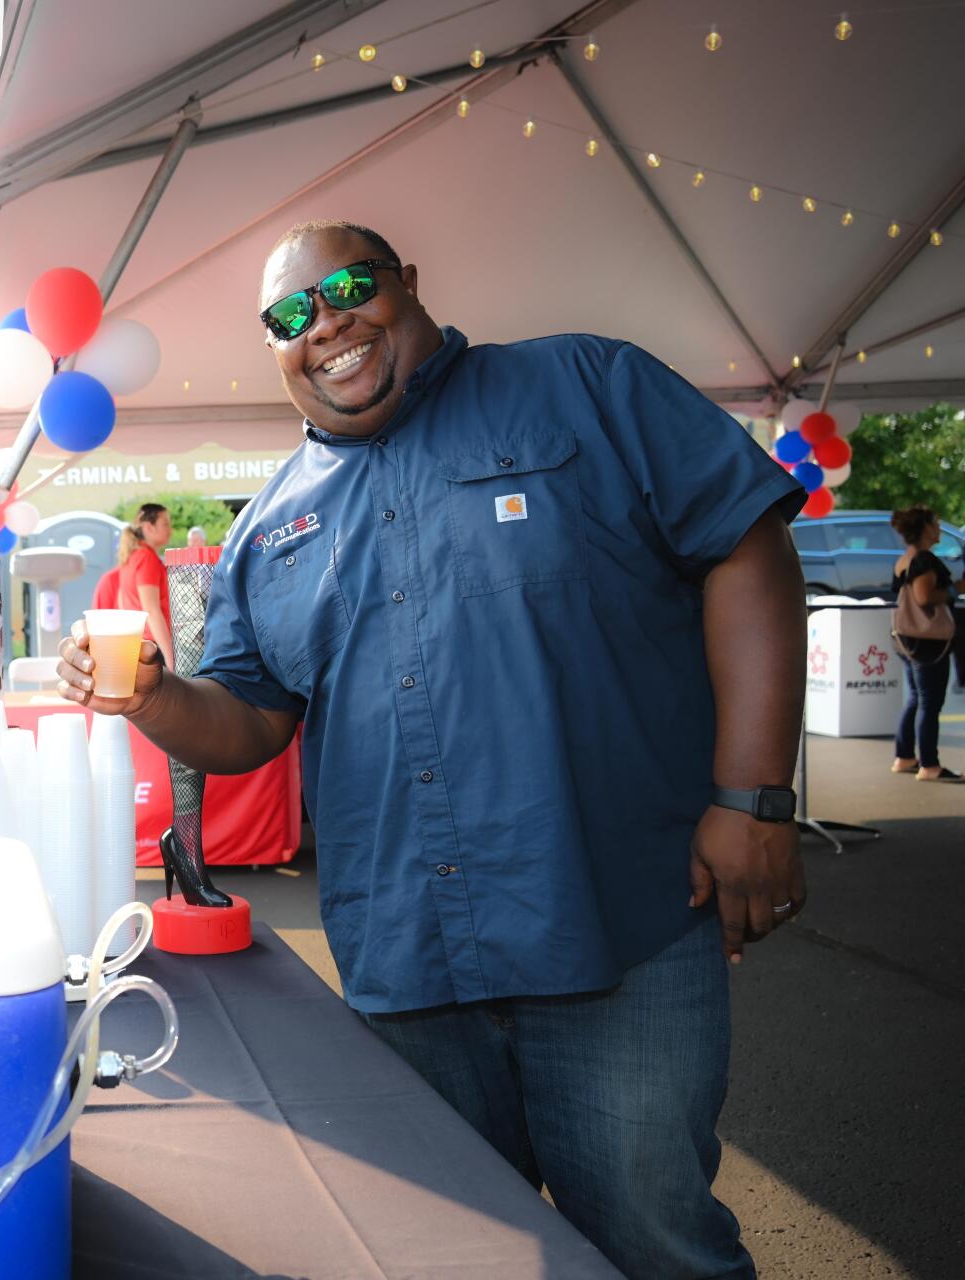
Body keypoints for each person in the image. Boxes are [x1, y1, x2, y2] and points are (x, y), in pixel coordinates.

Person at [58, 220, 808, 1278]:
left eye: (347, 287)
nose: (324, 324)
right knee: (470, 1254)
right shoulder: (269, 526)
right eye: (288, 315)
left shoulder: (584, 385)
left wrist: (754, 798)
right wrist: (148, 694)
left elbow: (748, 543)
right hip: (411, 966)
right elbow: (247, 720)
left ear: (406, 284)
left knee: (655, 1241)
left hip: (617, 930)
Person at [888, 504, 958, 781]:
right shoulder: (924, 560)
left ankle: (905, 756)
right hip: (926, 640)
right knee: (930, 702)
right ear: (926, 528)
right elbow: (925, 597)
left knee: (917, 698)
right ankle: (930, 764)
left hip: (906, 637)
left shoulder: (905, 558)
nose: (939, 527)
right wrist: (956, 589)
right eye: (936, 522)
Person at [116, 502, 175, 669]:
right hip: (153, 648)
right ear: (149, 527)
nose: (170, 530)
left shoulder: (131, 557)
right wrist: (171, 659)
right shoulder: (146, 558)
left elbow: (122, 603)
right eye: (165, 523)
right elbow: (152, 610)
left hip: (137, 645)